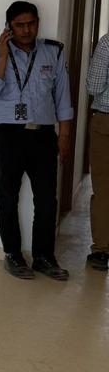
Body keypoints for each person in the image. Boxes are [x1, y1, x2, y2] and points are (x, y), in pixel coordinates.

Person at [0, 1, 73, 280]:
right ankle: (12, 254)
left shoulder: (53, 52)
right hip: (8, 135)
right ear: (9, 27)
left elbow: (63, 97)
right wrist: (3, 57)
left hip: (43, 135)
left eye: (31, 23)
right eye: (19, 25)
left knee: (46, 199)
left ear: (38, 23)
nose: (26, 29)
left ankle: (44, 257)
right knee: (7, 195)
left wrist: (64, 135)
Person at [85, 27, 109, 272]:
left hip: (106, 122)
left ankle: (102, 251)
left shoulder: (107, 43)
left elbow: (93, 86)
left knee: (104, 189)